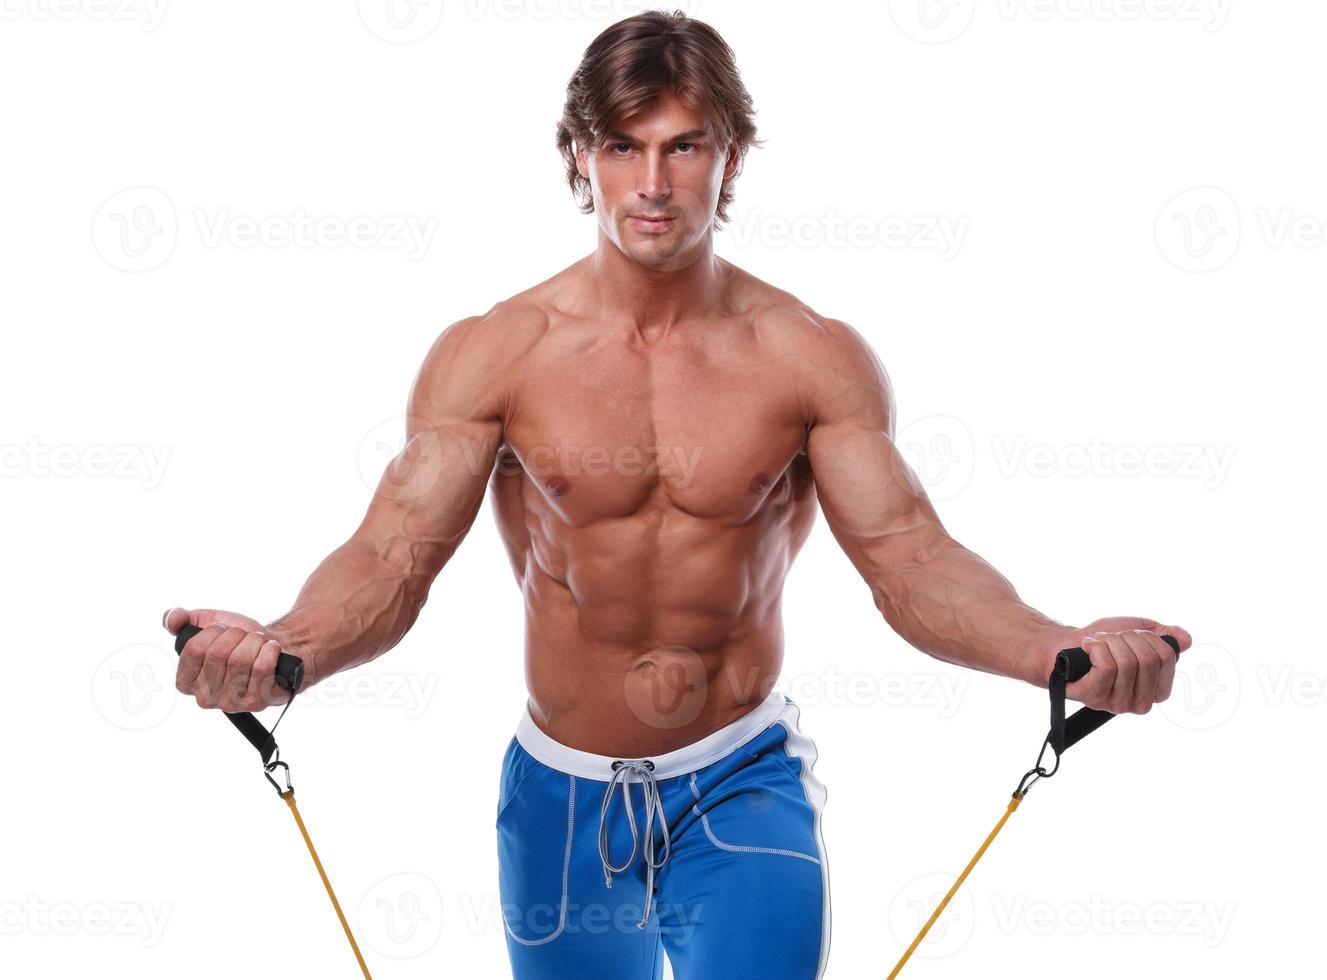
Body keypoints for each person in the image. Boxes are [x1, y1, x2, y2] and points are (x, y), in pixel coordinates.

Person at [163, 11, 1191, 978]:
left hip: (739, 783)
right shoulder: (496, 353)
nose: (651, 182)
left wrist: (1057, 651)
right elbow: (393, 554)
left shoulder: (809, 356)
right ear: (580, 156)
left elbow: (909, 556)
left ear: (731, 156)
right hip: (557, 799)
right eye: (622, 146)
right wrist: (282, 650)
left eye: (684, 146)